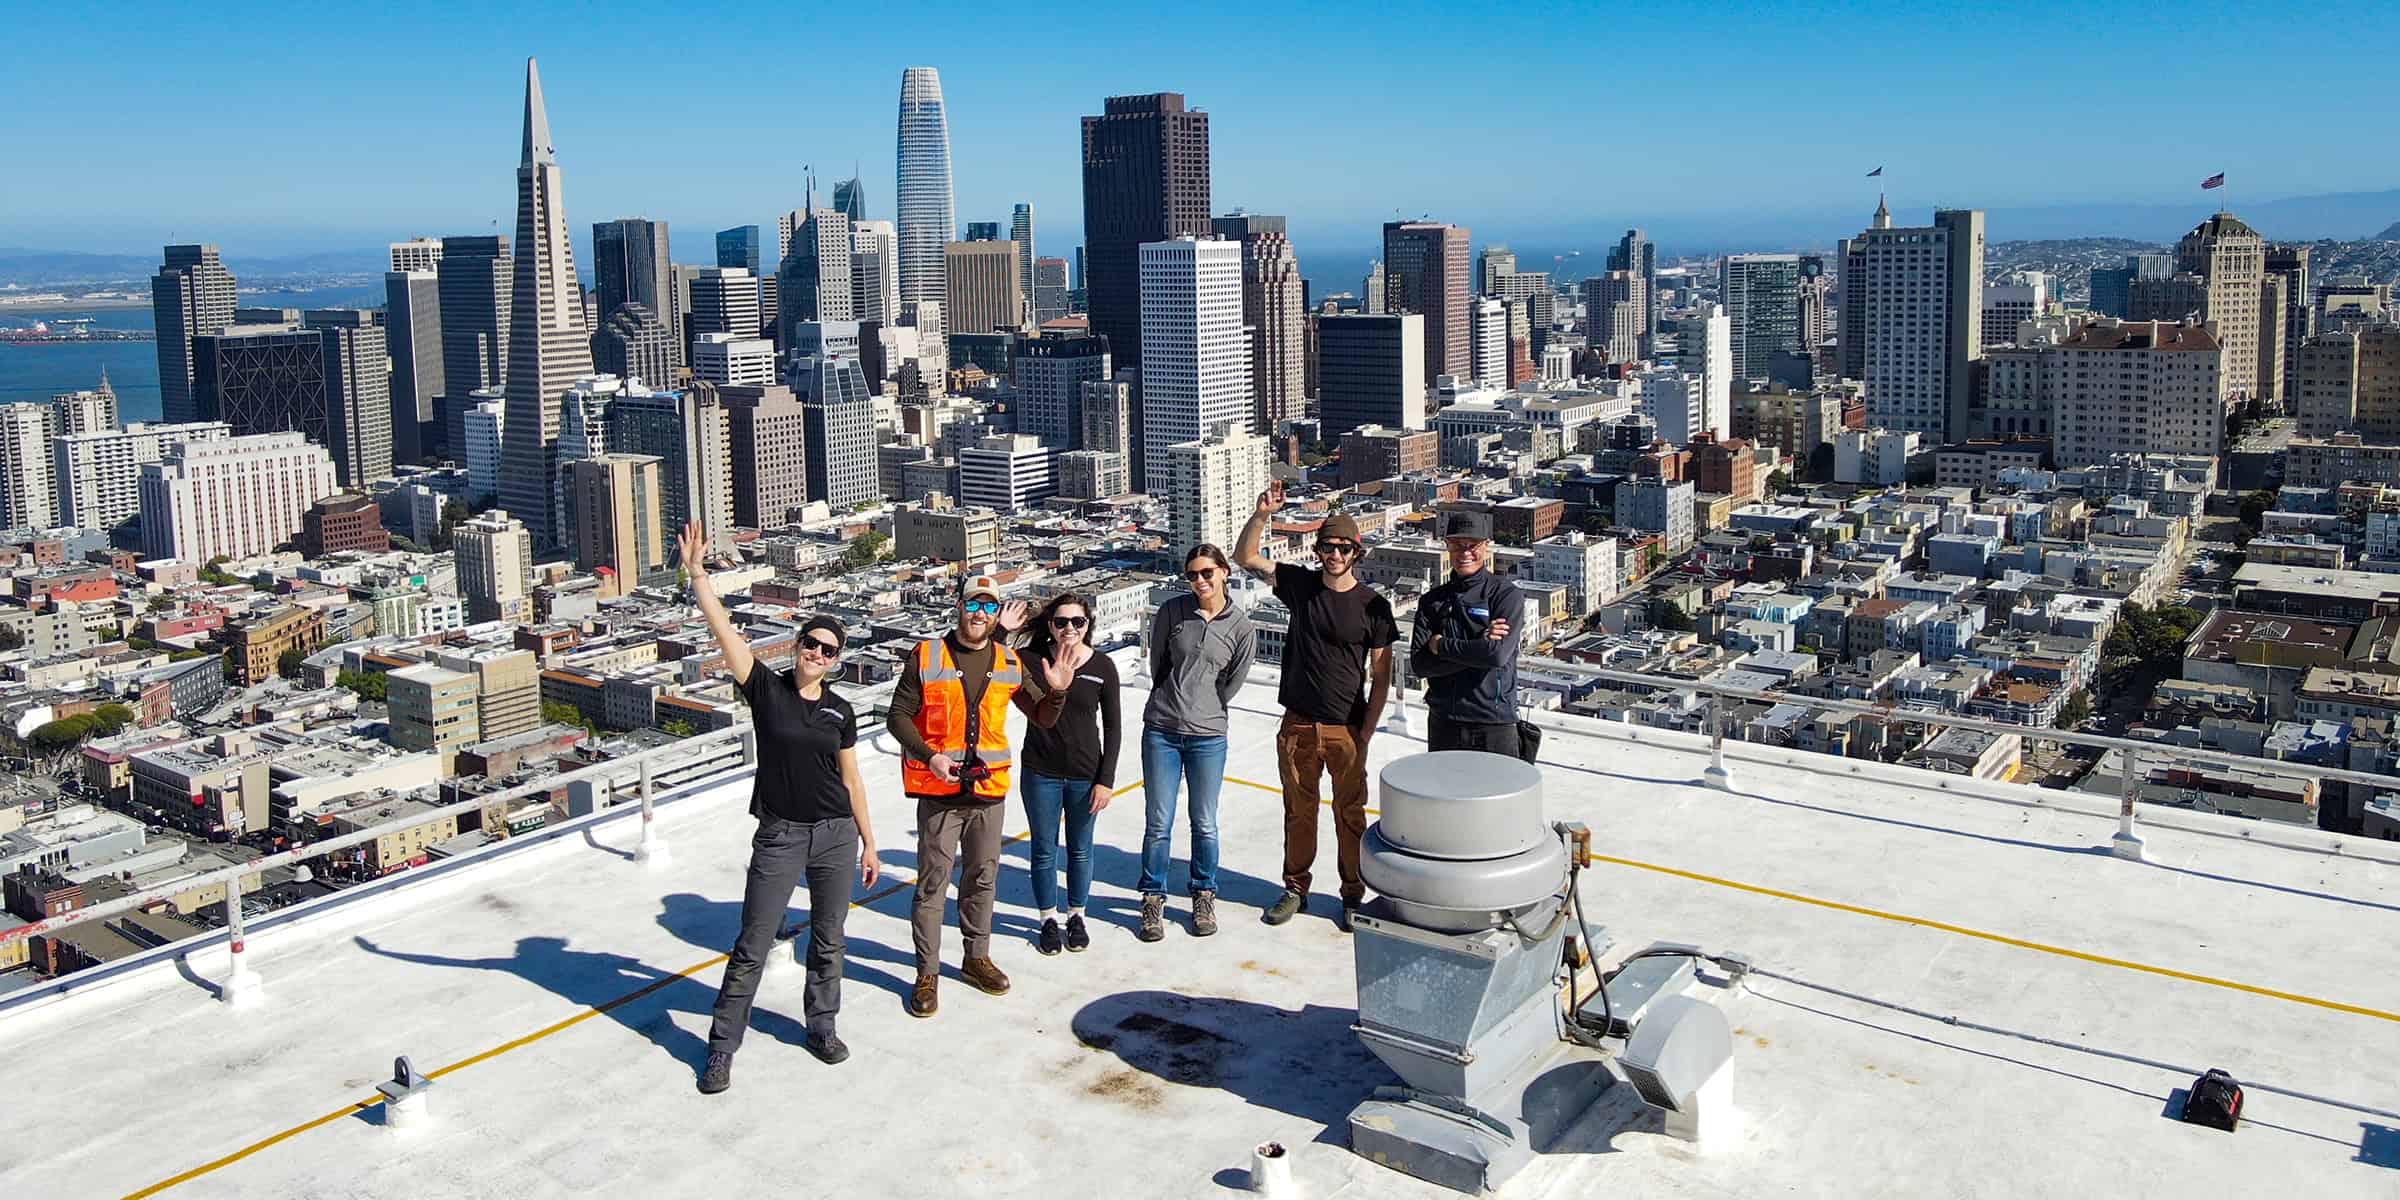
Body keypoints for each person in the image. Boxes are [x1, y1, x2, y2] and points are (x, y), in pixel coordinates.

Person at [681, 521, 882, 1095]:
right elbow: (725, 634)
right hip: (782, 833)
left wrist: (869, 842)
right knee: (754, 942)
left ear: (838, 660)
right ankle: (722, 1048)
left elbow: (852, 779)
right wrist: (699, 575)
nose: (817, 654)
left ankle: (822, 1026)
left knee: (829, 939)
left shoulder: (841, 711)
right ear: (796, 648)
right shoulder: (765, 689)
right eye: (810, 644)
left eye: (829, 650)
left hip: (837, 836)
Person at [887, 575, 1070, 1018]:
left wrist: (1060, 690)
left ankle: (975, 957)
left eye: (989, 608)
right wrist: (929, 757)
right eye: (974, 606)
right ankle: (926, 972)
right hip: (940, 791)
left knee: (982, 879)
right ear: (959, 607)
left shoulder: (1008, 661)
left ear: (995, 614)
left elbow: (1041, 715)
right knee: (933, 884)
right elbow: (898, 717)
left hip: (988, 791)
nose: (980, 615)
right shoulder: (927, 655)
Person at [1235, 484, 1397, 933]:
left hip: (1346, 726)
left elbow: (1381, 675)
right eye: (1328, 546)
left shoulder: (1374, 607)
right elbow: (1245, 557)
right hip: (1299, 724)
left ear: (1356, 553)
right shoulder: (1301, 586)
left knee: (1350, 814)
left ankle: (1352, 894)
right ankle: (1296, 888)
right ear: (1319, 549)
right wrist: (1261, 514)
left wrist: (1365, 730)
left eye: (1344, 548)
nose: (1335, 554)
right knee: (1298, 810)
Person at [1136, 543, 1255, 942]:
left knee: (1204, 823)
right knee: (1158, 822)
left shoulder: (1240, 626)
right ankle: (1152, 898)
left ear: (1224, 572)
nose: (1200, 581)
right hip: (1162, 730)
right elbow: (1159, 667)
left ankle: (1203, 892)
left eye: (1207, 572)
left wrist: (1206, 706)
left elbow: (1232, 682)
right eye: (1192, 575)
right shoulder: (1173, 612)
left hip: (1207, 735)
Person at [1016, 592, 1121, 955]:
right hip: (1040, 770)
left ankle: (1076, 914)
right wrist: (1002, 630)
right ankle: (1047, 918)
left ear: (1088, 626)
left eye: (1078, 622)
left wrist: (1106, 780)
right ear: (1050, 626)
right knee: (1044, 849)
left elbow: (1113, 727)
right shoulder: (1031, 660)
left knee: (1080, 849)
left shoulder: (1102, 667)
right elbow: (992, 665)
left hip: (1084, 772)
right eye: (1061, 622)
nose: (1069, 629)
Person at [1409, 509, 1526, 757]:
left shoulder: (1504, 595)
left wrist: (1440, 646)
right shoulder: (1433, 601)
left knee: (1498, 795)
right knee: (1445, 795)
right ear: (1447, 547)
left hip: (1494, 722)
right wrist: (1478, 647)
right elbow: (1420, 665)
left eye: (1472, 545)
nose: (1465, 553)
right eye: (1456, 545)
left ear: (1486, 547)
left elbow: (1496, 656)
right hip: (1444, 721)